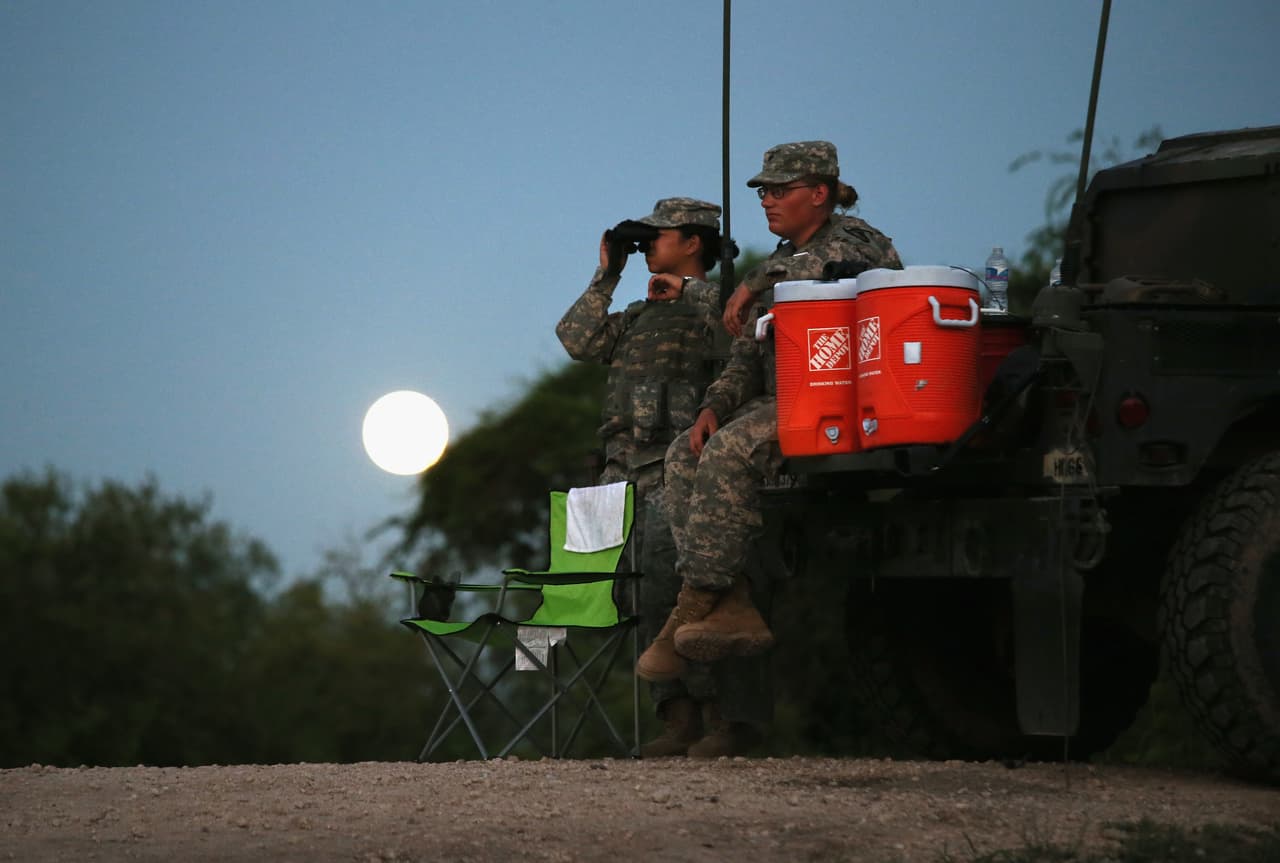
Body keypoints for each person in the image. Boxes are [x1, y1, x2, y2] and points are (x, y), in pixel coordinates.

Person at [636, 142, 903, 751]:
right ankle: (727, 599)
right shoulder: (780, 263)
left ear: (821, 191)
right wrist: (711, 408)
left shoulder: (858, 242)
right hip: (779, 402)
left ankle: (694, 607)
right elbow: (743, 360)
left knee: (729, 455)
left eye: (780, 189)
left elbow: (826, 268)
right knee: (689, 451)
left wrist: (753, 282)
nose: (766, 201)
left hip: (836, 401)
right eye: (762, 191)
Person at [557, 197, 769, 757]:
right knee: (642, 598)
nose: (649, 244)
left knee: (691, 592)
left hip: (678, 472)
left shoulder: (722, 304)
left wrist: (691, 293)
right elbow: (577, 340)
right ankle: (677, 719)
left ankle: (728, 720)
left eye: (660, 235)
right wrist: (607, 276)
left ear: (693, 242)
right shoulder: (637, 314)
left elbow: (747, 325)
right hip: (620, 474)